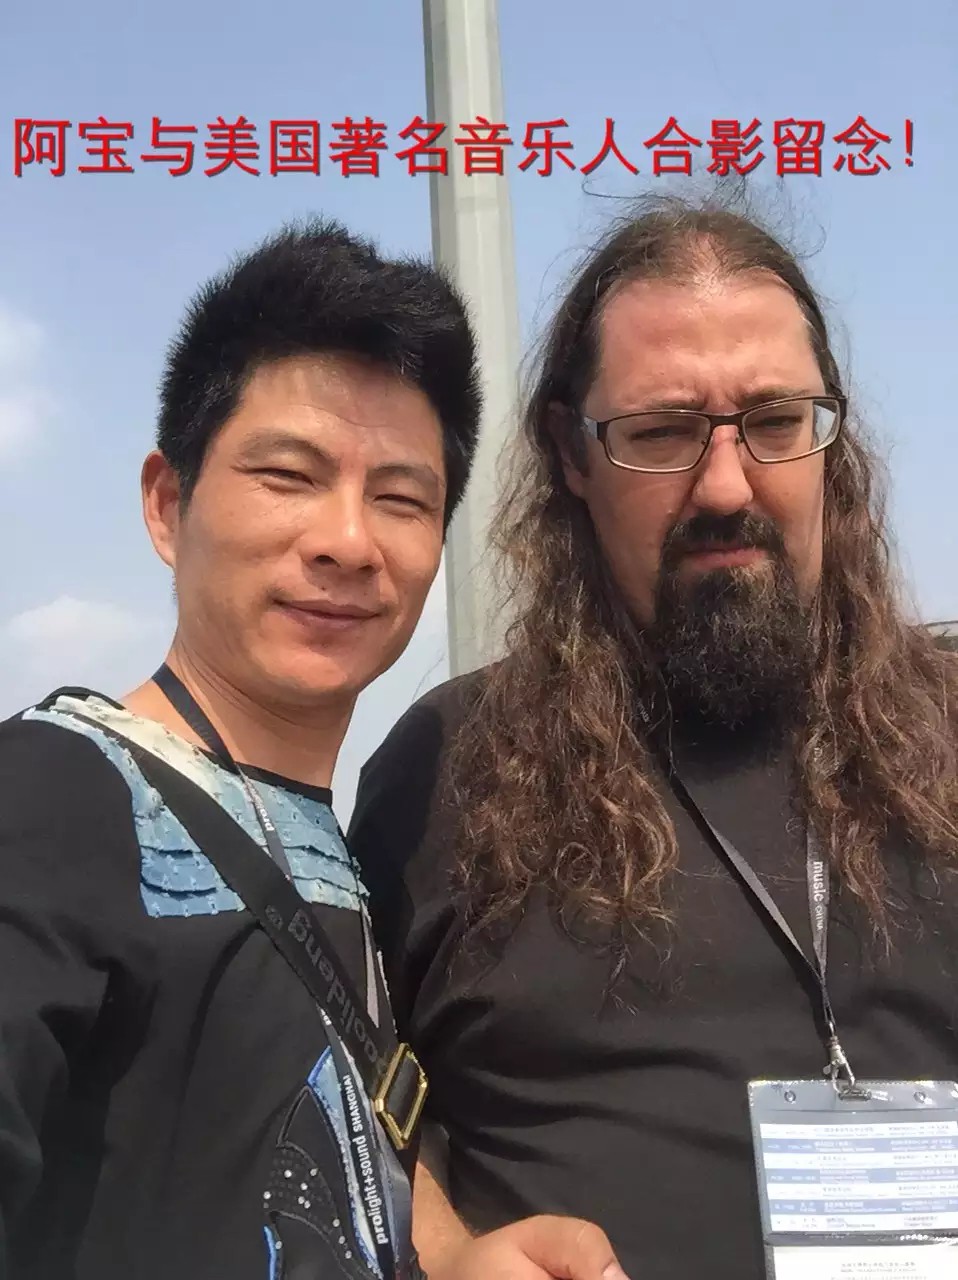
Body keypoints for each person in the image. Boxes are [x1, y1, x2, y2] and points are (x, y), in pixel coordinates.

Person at [0, 220, 628, 1280]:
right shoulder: (51, 791)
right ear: (168, 504)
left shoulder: (342, 848)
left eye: (401, 497)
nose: (348, 540)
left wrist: (455, 1259)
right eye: (289, 475)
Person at [348, 196, 958, 1280]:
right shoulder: (449, 769)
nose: (724, 485)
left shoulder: (946, 731)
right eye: (661, 434)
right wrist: (442, 1250)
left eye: (776, 421)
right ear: (570, 455)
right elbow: (333, 1096)